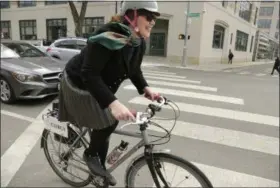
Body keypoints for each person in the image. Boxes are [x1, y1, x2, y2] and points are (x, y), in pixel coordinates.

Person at [57, 1, 161, 186]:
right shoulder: (108, 37)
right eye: (149, 16)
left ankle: (99, 169)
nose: (153, 21)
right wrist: (113, 103)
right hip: (79, 83)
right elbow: (89, 74)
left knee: (104, 126)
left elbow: (134, 70)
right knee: (109, 121)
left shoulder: (138, 42)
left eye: (155, 18)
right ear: (133, 15)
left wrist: (145, 88)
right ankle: (90, 155)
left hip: (98, 85)